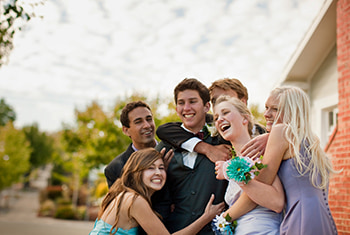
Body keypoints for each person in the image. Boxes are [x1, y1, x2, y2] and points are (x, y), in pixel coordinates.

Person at [216, 86, 338, 234]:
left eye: (274, 109)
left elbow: (263, 181)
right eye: (266, 107)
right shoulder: (311, 140)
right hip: (321, 215)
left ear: (291, 111)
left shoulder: (280, 131)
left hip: (300, 214)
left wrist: (230, 170)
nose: (266, 114)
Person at [90, 148, 224, 235]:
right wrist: (206, 217)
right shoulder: (134, 200)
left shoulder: (123, 193)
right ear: (136, 172)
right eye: (150, 168)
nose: (158, 173)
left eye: (161, 168)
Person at [155, 78, 227, 234]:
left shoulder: (223, 140)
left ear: (207, 106)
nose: (186, 108)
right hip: (174, 229)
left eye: (192, 101)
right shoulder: (164, 147)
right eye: (181, 103)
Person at [213, 96, 283, 234]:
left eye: (225, 112)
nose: (219, 119)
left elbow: (277, 202)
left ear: (245, 119)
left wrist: (230, 171)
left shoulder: (262, 155)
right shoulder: (234, 160)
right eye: (216, 118)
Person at [156, 78, 266, 163]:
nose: (220, 104)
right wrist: (207, 149)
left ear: (242, 102)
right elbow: (164, 130)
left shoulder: (261, 133)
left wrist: (270, 137)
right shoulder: (213, 124)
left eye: (226, 98)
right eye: (215, 100)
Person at [104, 101, 158, 188]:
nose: (147, 125)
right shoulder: (115, 168)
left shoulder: (172, 152)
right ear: (126, 130)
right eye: (138, 122)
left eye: (149, 119)